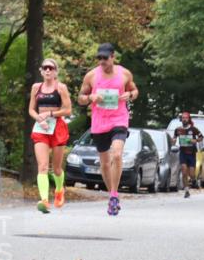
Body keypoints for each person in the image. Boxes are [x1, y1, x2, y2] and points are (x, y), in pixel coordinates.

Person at [76, 43, 138, 216]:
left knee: (116, 154)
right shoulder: (91, 76)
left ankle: (113, 196)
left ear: (113, 57)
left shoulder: (124, 73)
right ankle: (112, 192)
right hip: (99, 122)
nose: (102, 61)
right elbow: (80, 98)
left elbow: (134, 90)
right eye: (99, 58)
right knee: (104, 163)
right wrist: (90, 97)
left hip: (119, 119)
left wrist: (130, 95)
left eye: (105, 57)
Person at [29, 58, 72, 213]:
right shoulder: (36, 87)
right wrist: (39, 118)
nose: (48, 70)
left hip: (57, 127)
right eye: (45, 68)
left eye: (51, 68)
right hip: (41, 128)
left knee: (57, 168)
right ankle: (44, 200)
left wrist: (50, 114)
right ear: (41, 71)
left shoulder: (61, 88)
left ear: (56, 72)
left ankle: (59, 190)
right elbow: (31, 110)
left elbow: (68, 110)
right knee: (42, 166)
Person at [172, 111, 204, 198]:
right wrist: (173, 141)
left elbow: (201, 137)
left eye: (186, 118)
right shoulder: (178, 129)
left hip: (192, 152)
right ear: (181, 119)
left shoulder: (193, 129)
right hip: (183, 152)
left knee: (192, 173)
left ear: (189, 119)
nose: (184, 119)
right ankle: (186, 190)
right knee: (184, 171)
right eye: (183, 118)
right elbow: (174, 138)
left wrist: (195, 140)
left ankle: (194, 180)